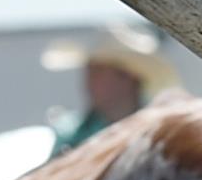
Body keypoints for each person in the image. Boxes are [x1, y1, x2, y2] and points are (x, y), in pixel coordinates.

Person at [41, 21, 176, 157]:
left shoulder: (160, 131)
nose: (88, 81)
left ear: (127, 77)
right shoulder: (69, 133)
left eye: (97, 72)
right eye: (89, 72)